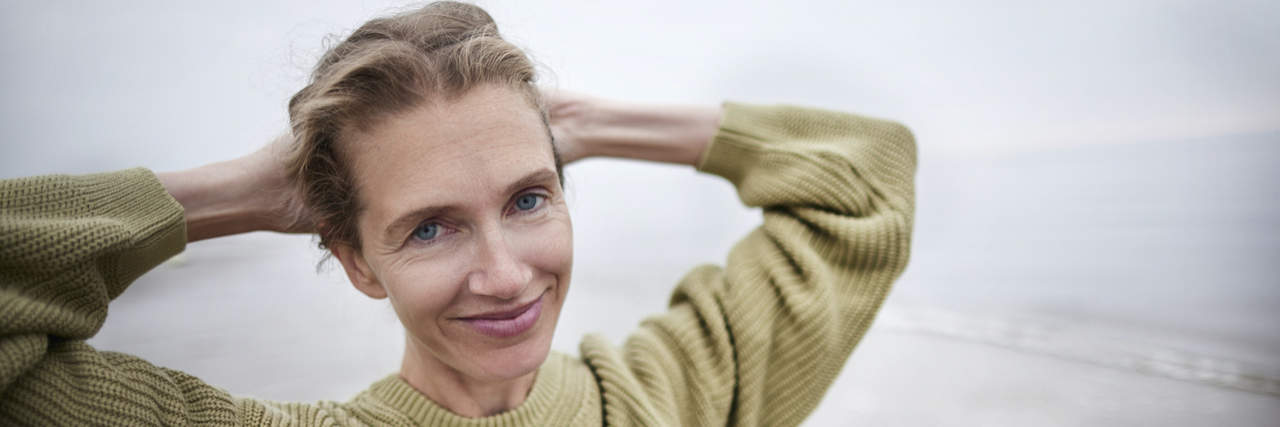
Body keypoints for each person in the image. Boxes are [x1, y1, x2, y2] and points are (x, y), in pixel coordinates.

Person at [0, 1, 915, 425]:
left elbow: (869, 176)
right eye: (429, 225)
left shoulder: (669, 400)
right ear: (356, 260)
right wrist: (237, 191)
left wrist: (583, 123)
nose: (506, 274)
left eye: (528, 197)